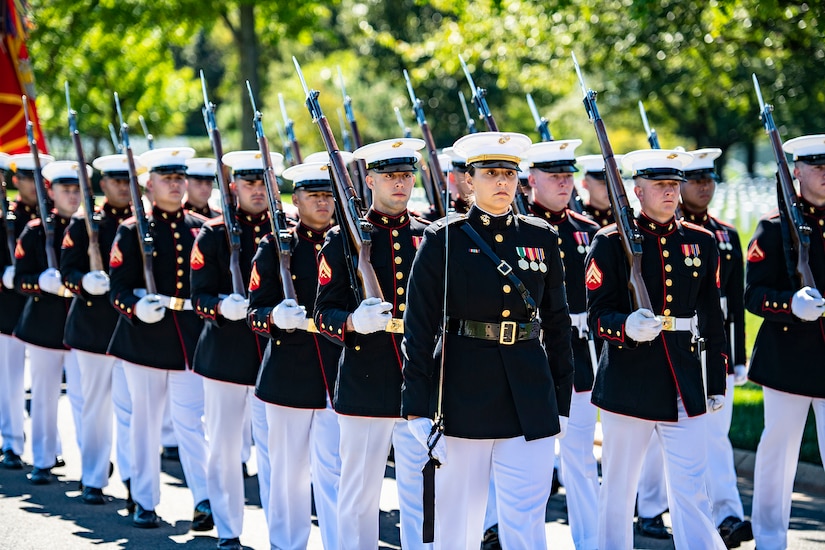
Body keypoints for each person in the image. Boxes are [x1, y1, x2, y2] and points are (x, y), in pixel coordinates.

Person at [402, 131, 574, 549]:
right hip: (463, 394)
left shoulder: (541, 236)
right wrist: (416, 405)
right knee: (458, 522)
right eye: (490, 173)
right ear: (468, 181)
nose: (501, 182)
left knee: (527, 522)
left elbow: (557, 322)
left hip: (529, 395)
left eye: (509, 174)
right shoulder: (444, 239)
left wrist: (561, 398)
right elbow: (419, 326)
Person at [586, 149, 727, 550]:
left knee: (691, 489)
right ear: (637, 190)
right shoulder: (610, 241)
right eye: (659, 185)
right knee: (617, 489)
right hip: (628, 381)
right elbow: (598, 314)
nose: (669, 192)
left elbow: (712, 318)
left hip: (683, 379)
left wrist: (716, 380)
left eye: (673, 185)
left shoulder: (700, 241)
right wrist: (625, 326)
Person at [314, 137, 432, 550]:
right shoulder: (340, 239)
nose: (400, 184)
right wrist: (353, 321)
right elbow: (322, 314)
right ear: (370, 180)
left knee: (421, 494)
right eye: (389, 176)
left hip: (421, 379)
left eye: (406, 175)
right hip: (367, 378)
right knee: (359, 495)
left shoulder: (430, 236)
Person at [107, 146, 211, 530]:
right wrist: (135, 305)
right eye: (167, 179)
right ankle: (145, 500)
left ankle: (204, 499)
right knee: (146, 424)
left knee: (191, 424)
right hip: (145, 339)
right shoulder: (133, 229)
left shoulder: (201, 227)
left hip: (188, 338)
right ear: (149, 185)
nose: (176, 184)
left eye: (180, 178)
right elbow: (118, 288)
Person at [248, 156, 343, 550]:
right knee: (287, 472)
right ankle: (286, 544)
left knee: (337, 472)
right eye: (313, 195)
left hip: (339, 372)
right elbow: (254, 312)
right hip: (289, 373)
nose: (322, 203)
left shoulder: (349, 245)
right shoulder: (274, 245)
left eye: (327, 195)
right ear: (295, 199)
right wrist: (274, 315)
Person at [190, 149, 277, 550]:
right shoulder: (213, 233)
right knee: (225, 448)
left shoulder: (285, 231)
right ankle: (228, 529)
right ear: (233, 187)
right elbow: (199, 296)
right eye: (249, 184)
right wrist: (222, 305)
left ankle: (282, 535)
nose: (257, 191)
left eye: (263, 182)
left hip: (272, 357)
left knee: (276, 454)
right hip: (225, 354)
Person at [747, 134, 825, 550]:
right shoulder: (774, 228)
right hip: (788, 361)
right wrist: (790, 304)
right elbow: (753, 294)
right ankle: (770, 540)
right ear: (796, 171)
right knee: (777, 458)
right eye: (817, 167)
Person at [526, 139, 602, 550]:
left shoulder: (586, 231)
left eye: (568, 175)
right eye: (553, 176)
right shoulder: (516, 228)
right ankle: (504, 532)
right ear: (531, 180)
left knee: (580, 459)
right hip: (530, 355)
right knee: (530, 465)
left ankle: (589, 540)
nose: (564, 183)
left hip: (578, 354)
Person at [680, 147, 752, 546]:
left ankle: (727, 514)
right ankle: (657, 508)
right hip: (679, 346)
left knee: (715, 437)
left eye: (709, 179)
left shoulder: (725, 234)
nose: (705, 187)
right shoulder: (672, 233)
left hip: (715, 346)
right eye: (696, 180)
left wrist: (737, 356)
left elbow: (734, 305)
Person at [61, 154, 134, 504]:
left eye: (127, 180)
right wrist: (84, 282)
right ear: (102, 185)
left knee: (131, 410)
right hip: (93, 329)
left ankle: (136, 479)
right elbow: (67, 271)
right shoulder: (84, 223)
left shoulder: (140, 225)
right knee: (95, 407)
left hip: (132, 328)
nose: (123, 186)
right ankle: (92, 477)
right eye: (116, 181)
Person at [13, 159, 82, 485]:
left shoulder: (88, 228)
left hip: (82, 326)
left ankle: (91, 467)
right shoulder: (37, 230)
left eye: (76, 189)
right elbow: (20, 277)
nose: (72, 195)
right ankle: (42, 458)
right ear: (50, 192)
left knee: (86, 400)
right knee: (44, 396)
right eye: (65, 189)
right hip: (44, 323)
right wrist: (41, 282)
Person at [0, 152, 44, 469]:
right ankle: (12, 442)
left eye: (39, 178)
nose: (35, 184)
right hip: (9, 308)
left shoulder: (50, 219)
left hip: (44, 307)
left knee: (43, 387)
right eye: (28, 178)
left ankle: (45, 447)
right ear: (16, 182)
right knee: (11, 381)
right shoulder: (7, 218)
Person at [578, 154, 619, 228]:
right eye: (603, 183)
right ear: (585, 184)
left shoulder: (621, 218)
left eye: (614, 184)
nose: (610, 189)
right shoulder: (578, 217)